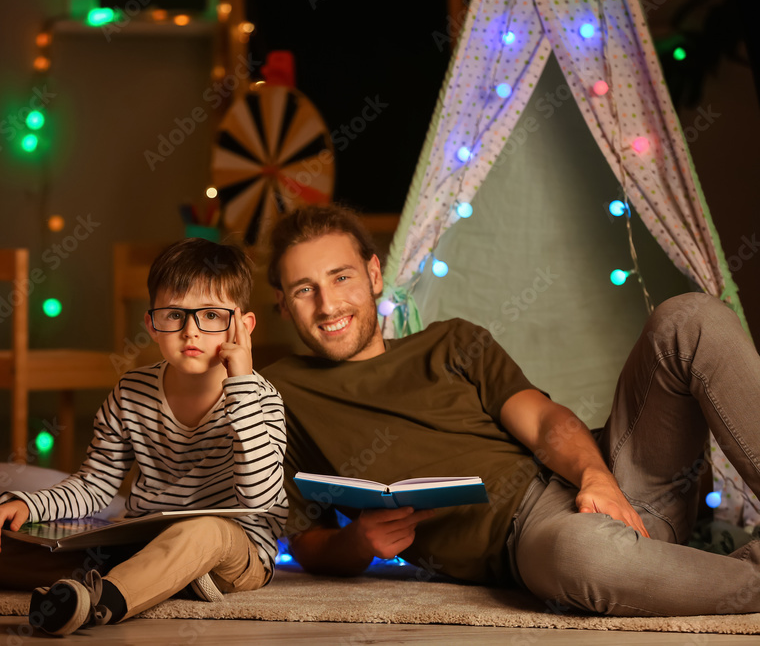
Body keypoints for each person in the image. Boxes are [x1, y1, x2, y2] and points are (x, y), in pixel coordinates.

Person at [261, 204, 760, 617]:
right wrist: (361, 542)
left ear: (372, 274)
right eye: (305, 289)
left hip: (613, 472)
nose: (328, 305)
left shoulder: (451, 340)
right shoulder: (283, 393)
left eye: (340, 277)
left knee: (688, 318)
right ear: (283, 304)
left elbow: (544, 423)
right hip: (536, 536)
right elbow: (308, 539)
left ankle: (660, 560)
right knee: (583, 555)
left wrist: (597, 477)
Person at [0, 238, 288, 635]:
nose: (191, 331)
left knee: (204, 529)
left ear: (243, 326)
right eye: (174, 315)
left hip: (233, 550)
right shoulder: (130, 392)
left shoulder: (260, 398)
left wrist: (239, 382)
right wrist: (28, 506)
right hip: (145, 540)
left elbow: (261, 500)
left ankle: (100, 602)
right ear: (152, 324)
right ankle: (155, 580)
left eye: (211, 315)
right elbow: (95, 486)